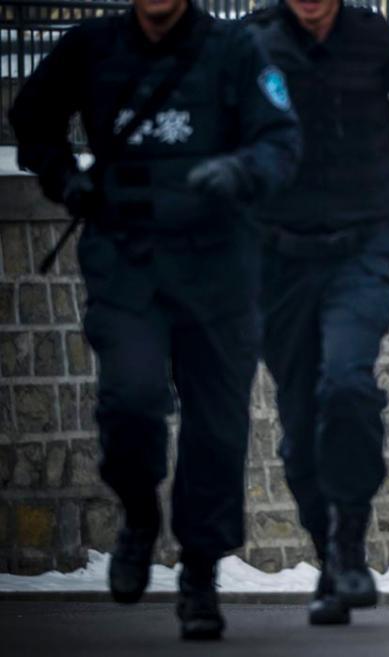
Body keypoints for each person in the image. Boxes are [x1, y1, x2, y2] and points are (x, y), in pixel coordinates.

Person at [9, 0, 300, 641]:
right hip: (128, 260)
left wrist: (239, 169)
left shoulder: (235, 51)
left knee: (216, 428)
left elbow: (282, 142)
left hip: (218, 268)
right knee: (131, 399)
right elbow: (31, 117)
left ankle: (199, 573)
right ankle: (139, 515)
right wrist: (63, 176)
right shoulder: (91, 47)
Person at [243, 0, 389, 625]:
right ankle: (331, 558)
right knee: (298, 429)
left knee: (345, 383)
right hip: (278, 261)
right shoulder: (249, 45)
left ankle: (350, 539)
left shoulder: (376, 40)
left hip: (360, 253)